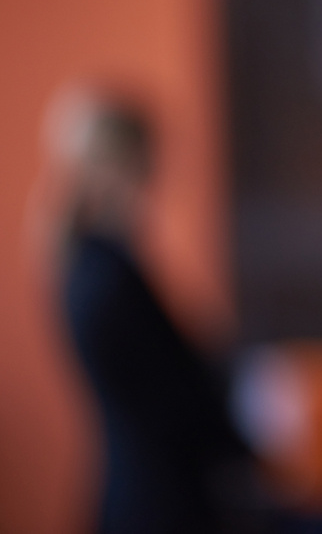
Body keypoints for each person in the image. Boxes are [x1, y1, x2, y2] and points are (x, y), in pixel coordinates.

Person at [49, 90, 257, 534]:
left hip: (135, 491)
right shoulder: (109, 277)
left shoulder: (84, 265)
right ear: (121, 162)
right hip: (160, 502)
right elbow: (173, 397)